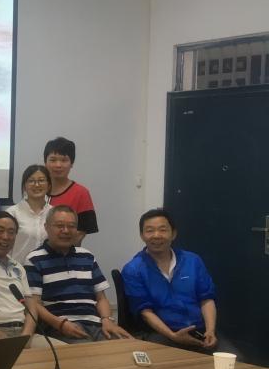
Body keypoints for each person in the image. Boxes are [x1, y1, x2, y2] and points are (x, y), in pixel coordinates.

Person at [23, 206, 131, 344]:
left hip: (97, 325)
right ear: (46, 227)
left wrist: (107, 320)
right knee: (89, 353)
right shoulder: (34, 259)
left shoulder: (87, 256)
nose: (66, 230)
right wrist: (59, 324)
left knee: (130, 346)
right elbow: (34, 304)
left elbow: (101, 298)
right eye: (60, 226)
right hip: (60, 327)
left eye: (71, 226)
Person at [120, 208, 222, 351]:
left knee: (236, 360)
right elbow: (145, 312)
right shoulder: (133, 269)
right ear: (142, 235)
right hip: (161, 335)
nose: (156, 235)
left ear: (173, 234)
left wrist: (210, 331)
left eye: (163, 230)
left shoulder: (192, 261)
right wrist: (173, 336)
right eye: (149, 231)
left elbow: (207, 299)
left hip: (200, 332)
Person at [0, 211, 51, 348]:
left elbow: (31, 308)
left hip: (24, 332)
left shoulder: (18, 267)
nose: (6, 237)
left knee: (65, 353)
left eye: (11, 232)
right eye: (0, 231)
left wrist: (25, 336)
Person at [44, 136, 97, 242]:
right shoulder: (37, 190)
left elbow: (80, 233)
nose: (58, 165)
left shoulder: (81, 193)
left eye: (64, 160)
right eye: (53, 160)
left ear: (71, 163)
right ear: (45, 162)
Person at [8, 164, 52, 265]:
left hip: (49, 269)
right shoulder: (12, 213)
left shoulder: (54, 213)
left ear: (49, 185)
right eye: (31, 181)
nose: (36, 185)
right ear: (24, 186)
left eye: (41, 180)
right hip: (20, 269)